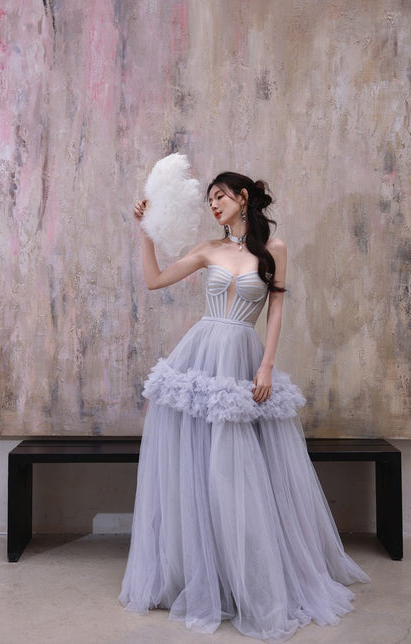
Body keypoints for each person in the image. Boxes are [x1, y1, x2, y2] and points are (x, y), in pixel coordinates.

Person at [119, 172, 370, 641]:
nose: (214, 205)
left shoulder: (274, 250)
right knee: (201, 467)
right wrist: (145, 233)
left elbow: (275, 310)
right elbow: (153, 281)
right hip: (201, 357)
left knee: (235, 472)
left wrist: (267, 365)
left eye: (220, 196)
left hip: (242, 359)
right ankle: (205, 577)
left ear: (243, 197)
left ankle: (249, 581)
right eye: (209, 200)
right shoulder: (208, 249)